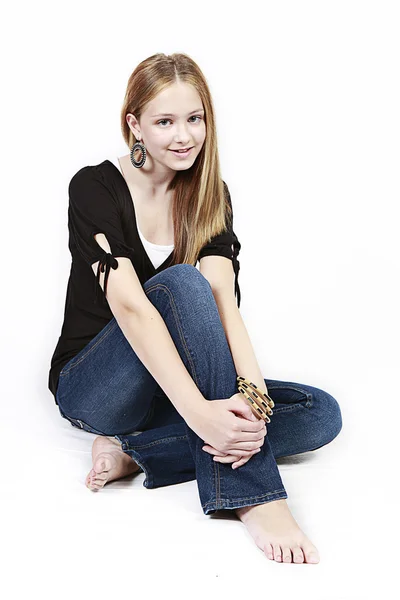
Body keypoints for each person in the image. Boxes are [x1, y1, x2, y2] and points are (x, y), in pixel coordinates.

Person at [48, 52, 342, 564]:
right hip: (97, 386)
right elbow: (131, 307)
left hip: (171, 388)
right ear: (133, 125)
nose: (184, 136)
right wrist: (201, 416)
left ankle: (134, 452)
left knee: (319, 415)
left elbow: (225, 302)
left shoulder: (210, 196)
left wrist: (249, 400)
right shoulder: (93, 186)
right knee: (183, 283)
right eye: (164, 121)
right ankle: (255, 495)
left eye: (194, 118)